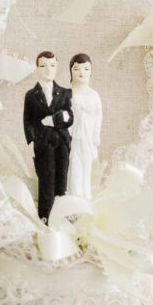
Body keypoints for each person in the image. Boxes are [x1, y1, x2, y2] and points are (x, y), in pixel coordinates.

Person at [23, 51, 74, 221]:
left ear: (57, 67)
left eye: (52, 65)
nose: (48, 69)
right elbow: (28, 121)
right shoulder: (31, 95)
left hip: (62, 142)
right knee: (46, 180)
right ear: (37, 68)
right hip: (43, 144)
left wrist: (54, 120)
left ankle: (62, 216)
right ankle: (45, 217)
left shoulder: (65, 93)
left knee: (61, 179)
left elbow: (69, 117)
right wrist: (32, 142)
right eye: (43, 65)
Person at [67, 53, 103, 199]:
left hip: (88, 138)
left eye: (86, 69)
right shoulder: (67, 94)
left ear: (91, 72)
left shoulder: (94, 95)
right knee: (74, 165)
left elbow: (98, 117)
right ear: (71, 71)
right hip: (73, 137)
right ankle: (74, 196)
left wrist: (96, 136)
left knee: (86, 168)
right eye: (77, 68)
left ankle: (86, 197)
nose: (81, 72)